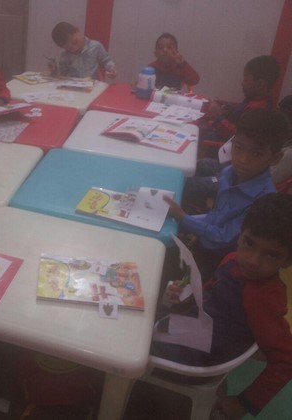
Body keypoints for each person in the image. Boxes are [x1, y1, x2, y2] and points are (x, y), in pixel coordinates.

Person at [153, 193, 292, 419]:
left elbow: (285, 361)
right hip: (193, 330)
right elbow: (208, 298)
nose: (253, 260)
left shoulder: (264, 298)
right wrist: (184, 297)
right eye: (249, 243)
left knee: (127, 341)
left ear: (287, 261)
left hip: (199, 360)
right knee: (141, 306)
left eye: (272, 255)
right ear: (240, 235)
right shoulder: (232, 259)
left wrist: (244, 402)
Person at [164, 108, 289, 280]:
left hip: (221, 263)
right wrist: (189, 223)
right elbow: (216, 216)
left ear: (275, 158)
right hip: (204, 242)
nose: (243, 159)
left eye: (257, 153)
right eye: (238, 147)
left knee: (166, 271)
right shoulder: (230, 172)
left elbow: (223, 238)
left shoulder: (262, 201)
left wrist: (184, 219)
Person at [199, 55, 279, 143]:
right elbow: (240, 112)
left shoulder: (258, 112)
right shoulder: (254, 99)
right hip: (219, 133)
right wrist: (227, 106)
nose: (242, 83)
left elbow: (237, 136)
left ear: (261, 85)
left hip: (223, 144)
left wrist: (218, 116)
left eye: (246, 80)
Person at [49, 21, 116, 80]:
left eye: (75, 42)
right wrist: (54, 71)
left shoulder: (95, 46)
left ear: (77, 30)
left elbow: (106, 60)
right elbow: (63, 74)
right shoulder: (65, 55)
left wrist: (111, 69)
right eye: (70, 49)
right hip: (73, 86)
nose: (75, 48)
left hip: (93, 85)